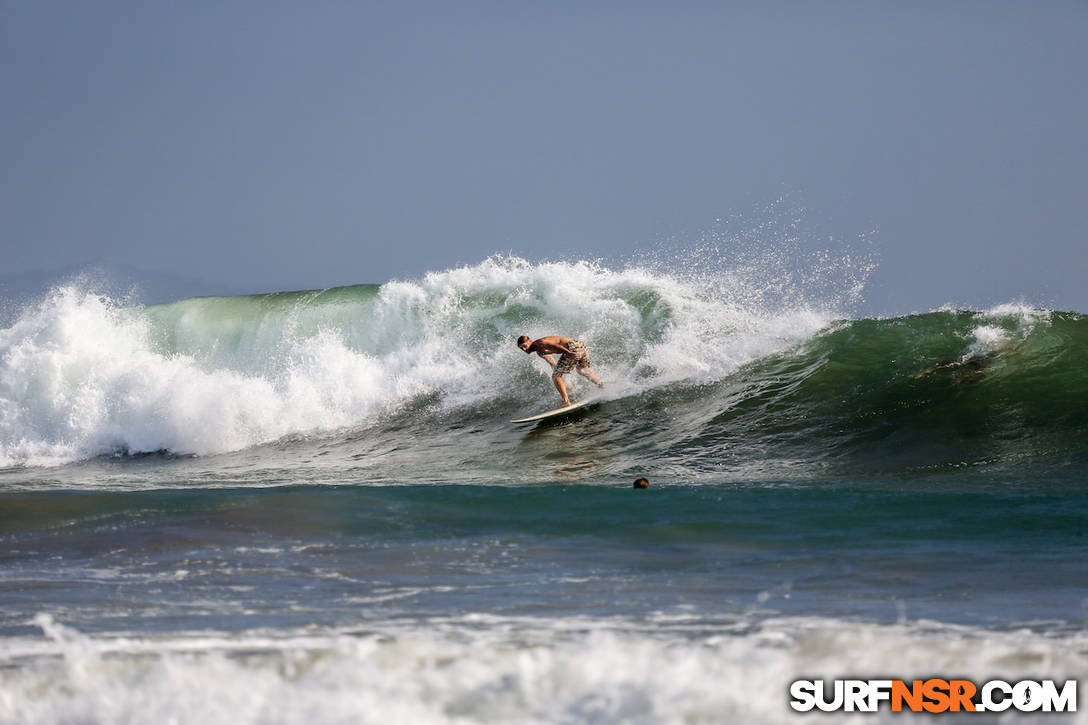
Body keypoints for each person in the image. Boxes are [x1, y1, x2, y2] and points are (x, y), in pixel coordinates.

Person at [516, 335, 604, 406]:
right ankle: (602, 386)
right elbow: (554, 365)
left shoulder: (539, 343)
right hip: (580, 345)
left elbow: (556, 346)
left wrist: (569, 353)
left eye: (524, 346)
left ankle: (566, 401)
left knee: (556, 376)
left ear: (530, 342)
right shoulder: (540, 352)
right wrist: (563, 383)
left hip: (572, 347)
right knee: (581, 370)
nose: (524, 349)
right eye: (521, 348)